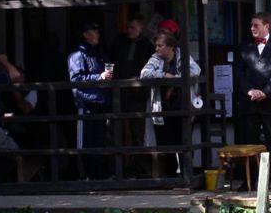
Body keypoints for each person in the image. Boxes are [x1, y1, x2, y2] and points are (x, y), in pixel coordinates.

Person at [234, 12, 271, 186]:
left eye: (256, 25)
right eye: (251, 25)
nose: (252, 28)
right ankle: (248, 182)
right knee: (248, 142)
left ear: (267, 26)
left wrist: (265, 92)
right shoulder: (244, 46)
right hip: (250, 101)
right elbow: (239, 72)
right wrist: (250, 90)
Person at [140, 31, 201, 176]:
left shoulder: (182, 56)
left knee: (184, 142)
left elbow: (195, 70)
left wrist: (174, 80)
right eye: (156, 45)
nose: (157, 49)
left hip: (182, 106)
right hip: (163, 109)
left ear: (170, 47)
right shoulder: (155, 59)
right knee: (166, 145)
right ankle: (170, 178)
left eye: (160, 46)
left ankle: (186, 176)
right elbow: (144, 74)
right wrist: (163, 75)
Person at [68, 22, 113, 179]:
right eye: (94, 31)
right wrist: (99, 76)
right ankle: (86, 176)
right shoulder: (77, 55)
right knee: (86, 141)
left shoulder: (98, 53)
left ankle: (99, 175)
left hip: (100, 102)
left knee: (100, 140)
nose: (98, 34)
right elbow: (76, 79)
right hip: (86, 104)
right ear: (85, 34)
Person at [109, 14, 155, 152]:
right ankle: (116, 161)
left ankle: (137, 161)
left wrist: (139, 82)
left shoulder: (147, 45)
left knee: (137, 129)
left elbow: (151, 67)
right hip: (118, 91)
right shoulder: (119, 41)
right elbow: (110, 59)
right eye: (128, 27)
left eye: (133, 27)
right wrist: (109, 76)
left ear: (140, 27)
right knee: (115, 127)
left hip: (137, 93)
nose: (129, 30)